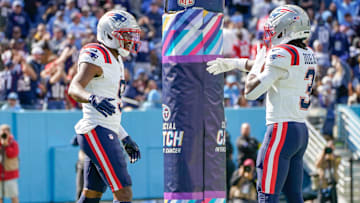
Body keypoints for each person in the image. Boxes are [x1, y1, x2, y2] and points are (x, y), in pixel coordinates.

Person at [207, 5, 316, 203]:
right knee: (294, 196)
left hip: (281, 130)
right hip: (300, 130)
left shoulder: (281, 53)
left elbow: (251, 92)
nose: (271, 32)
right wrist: (233, 63)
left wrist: (256, 63)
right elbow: (268, 67)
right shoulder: (307, 53)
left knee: (267, 194)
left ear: (286, 27)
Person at [68, 10, 141, 203]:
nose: (129, 39)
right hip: (95, 130)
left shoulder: (116, 59)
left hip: (104, 129)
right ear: (109, 34)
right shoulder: (97, 53)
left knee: (92, 195)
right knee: (123, 193)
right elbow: (74, 87)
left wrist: (124, 136)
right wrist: (91, 98)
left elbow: (111, 109)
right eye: (125, 35)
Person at [0, 124, 19, 203]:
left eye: (5, 132)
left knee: (13, 197)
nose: (4, 133)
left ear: (9, 133)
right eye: (2, 131)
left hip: (10, 175)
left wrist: (6, 144)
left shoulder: (13, 144)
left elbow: (12, 154)